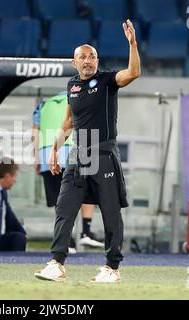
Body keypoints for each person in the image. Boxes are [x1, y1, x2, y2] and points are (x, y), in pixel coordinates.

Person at [34, 19, 140, 283]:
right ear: (74, 62)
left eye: (92, 56)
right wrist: (54, 150)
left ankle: (112, 268)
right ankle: (57, 263)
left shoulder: (107, 81)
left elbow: (133, 73)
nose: (88, 60)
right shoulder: (72, 86)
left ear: (97, 60)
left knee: (111, 211)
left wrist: (132, 44)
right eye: (82, 57)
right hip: (77, 155)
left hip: (103, 153)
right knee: (64, 207)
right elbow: (68, 123)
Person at [31, 93, 103, 253]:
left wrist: (36, 159)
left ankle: (67, 241)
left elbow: (34, 134)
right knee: (87, 189)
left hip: (47, 155)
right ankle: (86, 230)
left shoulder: (42, 106)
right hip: (75, 149)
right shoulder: (79, 98)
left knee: (60, 199)